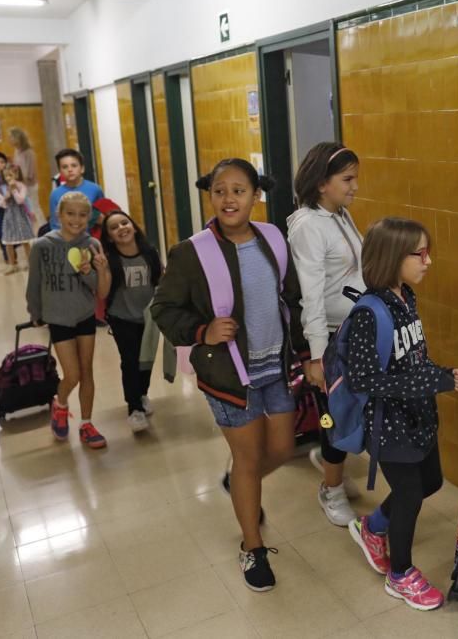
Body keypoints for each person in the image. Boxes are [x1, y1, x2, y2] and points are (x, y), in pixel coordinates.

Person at [151, 158, 311, 593]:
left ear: (255, 196)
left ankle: (240, 485)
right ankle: (253, 548)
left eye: (239, 190)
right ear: (210, 196)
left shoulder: (273, 238)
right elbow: (163, 309)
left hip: (274, 367)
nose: (229, 199)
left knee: (278, 449)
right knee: (247, 458)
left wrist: (306, 351)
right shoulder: (192, 252)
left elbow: (290, 298)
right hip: (228, 374)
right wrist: (202, 331)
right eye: (220, 190)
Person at [346, 217, 458, 612]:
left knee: (430, 480)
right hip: (388, 424)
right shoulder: (369, 313)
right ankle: (400, 574)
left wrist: (439, 374)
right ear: (392, 257)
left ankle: (373, 526)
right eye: (420, 253)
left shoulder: (407, 298)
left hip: (418, 416)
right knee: (411, 493)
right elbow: (363, 380)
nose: (428, 260)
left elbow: (413, 357)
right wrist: (425, 384)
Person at [288, 142, 365, 526]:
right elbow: (311, 297)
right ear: (322, 183)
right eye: (347, 179)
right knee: (334, 418)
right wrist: (316, 357)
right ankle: (330, 490)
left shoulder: (339, 215)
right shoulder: (308, 226)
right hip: (330, 339)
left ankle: (329, 463)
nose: (355, 186)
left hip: (351, 333)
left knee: (347, 414)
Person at [27, 192, 111, 449]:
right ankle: (60, 404)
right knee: (71, 374)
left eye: (82, 214)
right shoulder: (42, 245)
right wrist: (35, 312)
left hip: (84, 315)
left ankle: (86, 423)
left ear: (89, 217)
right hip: (58, 317)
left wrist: (91, 271)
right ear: (59, 215)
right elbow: (35, 283)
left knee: (87, 372)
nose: (76, 219)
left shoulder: (92, 245)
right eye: (70, 214)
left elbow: (100, 291)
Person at [100, 210, 162, 433]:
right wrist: (101, 270)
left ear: (133, 226)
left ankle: (142, 394)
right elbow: (103, 293)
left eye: (124, 222)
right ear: (109, 236)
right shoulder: (110, 260)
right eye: (114, 227)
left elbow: (159, 281)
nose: (121, 228)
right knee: (130, 361)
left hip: (148, 317)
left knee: (146, 360)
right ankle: (134, 408)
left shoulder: (150, 253)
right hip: (122, 318)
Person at [49, 149, 105, 231]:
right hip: (67, 241)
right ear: (60, 171)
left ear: (82, 168)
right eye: (65, 167)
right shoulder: (55, 194)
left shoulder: (95, 189)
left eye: (74, 166)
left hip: (91, 240)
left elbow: (104, 219)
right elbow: (55, 225)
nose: (70, 170)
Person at [0, 165, 36, 274]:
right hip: (9, 217)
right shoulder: (2, 188)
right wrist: (7, 195)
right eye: (6, 175)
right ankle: (12, 264)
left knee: (25, 241)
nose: (8, 178)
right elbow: (1, 204)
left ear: (16, 174)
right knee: (8, 242)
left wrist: (14, 190)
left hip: (20, 216)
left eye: (10, 175)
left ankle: (31, 263)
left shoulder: (21, 186)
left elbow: (20, 200)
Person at [8, 127, 45, 231]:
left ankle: (44, 229)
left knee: (35, 207)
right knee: (27, 209)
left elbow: (30, 174)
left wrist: (19, 178)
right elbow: (17, 167)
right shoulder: (17, 150)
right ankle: (30, 231)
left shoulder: (29, 152)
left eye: (11, 137)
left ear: (17, 138)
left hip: (30, 185)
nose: (9, 139)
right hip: (21, 184)